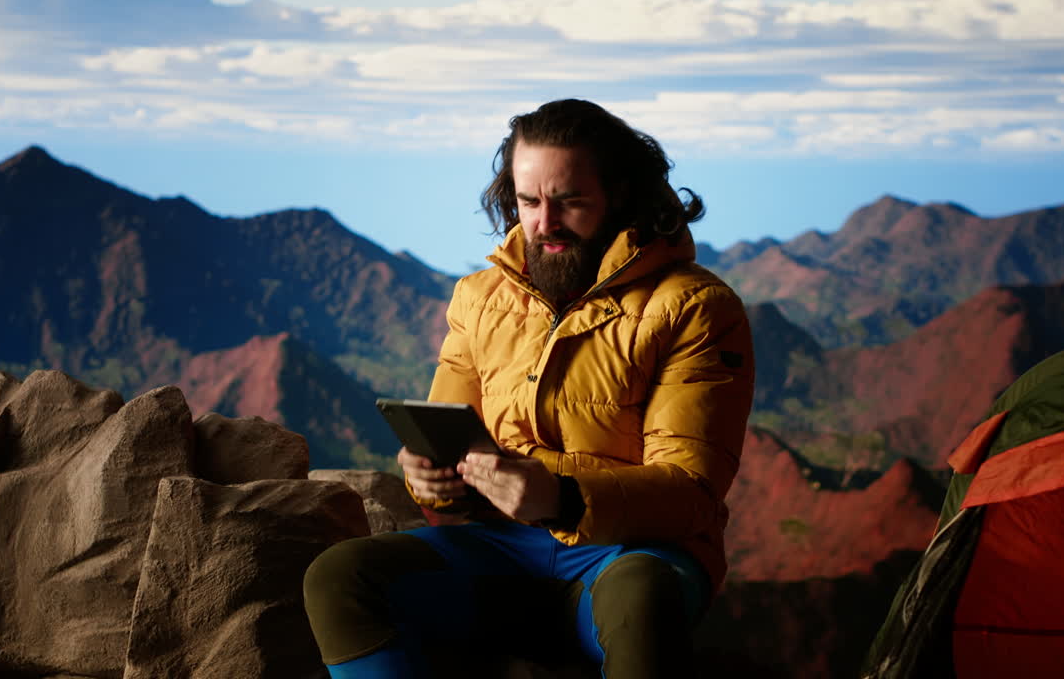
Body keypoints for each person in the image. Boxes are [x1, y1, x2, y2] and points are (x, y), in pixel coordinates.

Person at [303, 98, 756, 678]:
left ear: (620, 194)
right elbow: (448, 440)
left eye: (569, 201)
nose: (544, 223)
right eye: (528, 201)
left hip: (627, 557)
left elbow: (691, 493)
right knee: (340, 576)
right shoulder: (479, 297)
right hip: (496, 551)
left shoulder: (695, 307)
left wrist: (562, 498)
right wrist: (430, 477)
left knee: (641, 593)